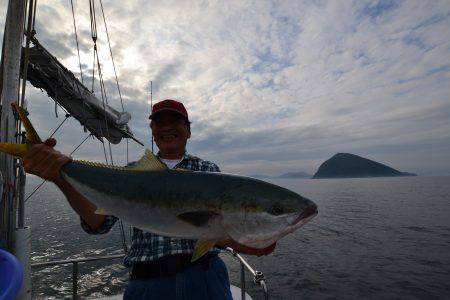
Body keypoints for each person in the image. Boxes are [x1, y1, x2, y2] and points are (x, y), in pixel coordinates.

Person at [23, 99, 276, 299]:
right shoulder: (132, 173)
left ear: (188, 130)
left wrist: (245, 239)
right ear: (153, 132)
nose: (166, 127)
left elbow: (217, 231)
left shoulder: (208, 171)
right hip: (147, 285)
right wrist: (60, 177)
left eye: (174, 121)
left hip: (205, 279)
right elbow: (97, 223)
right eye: (159, 122)